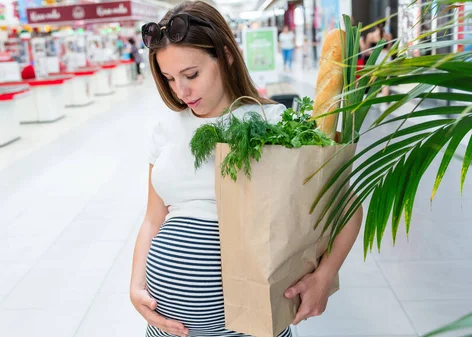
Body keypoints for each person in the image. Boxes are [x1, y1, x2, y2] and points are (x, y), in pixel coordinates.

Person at [130, 1, 363, 337]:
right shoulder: (165, 129)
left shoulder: (273, 124)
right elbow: (154, 217)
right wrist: (136, 285)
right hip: (165, 329)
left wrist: (324, 277)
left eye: (191, 74)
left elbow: (347, 207)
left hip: (251, 327)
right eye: (169, 78)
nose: (181, 91)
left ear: (225, 55)